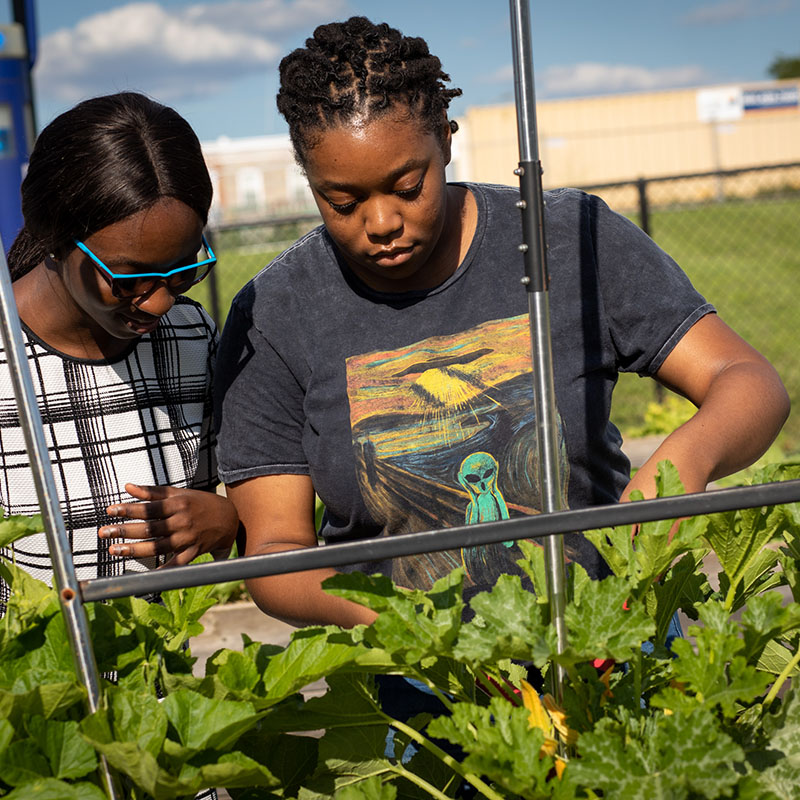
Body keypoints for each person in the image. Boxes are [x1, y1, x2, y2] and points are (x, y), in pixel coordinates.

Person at [214, 17, 789, 632]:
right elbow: (276, 556)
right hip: (428, 681)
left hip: (616, 632)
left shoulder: (565, 237)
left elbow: (749, 383)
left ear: (446, 136)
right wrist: (406, 623)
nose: (381, 221)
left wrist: (681, 468)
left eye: (409, 186)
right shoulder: (275, 313)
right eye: (343, 202)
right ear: (308, 177)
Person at [0, 92, 239, 610]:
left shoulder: (191, 335)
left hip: (155, 684)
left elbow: (240, 490)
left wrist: (226, 520)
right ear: (54, 237)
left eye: (182, 271)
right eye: (127, 280)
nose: (156, 304)